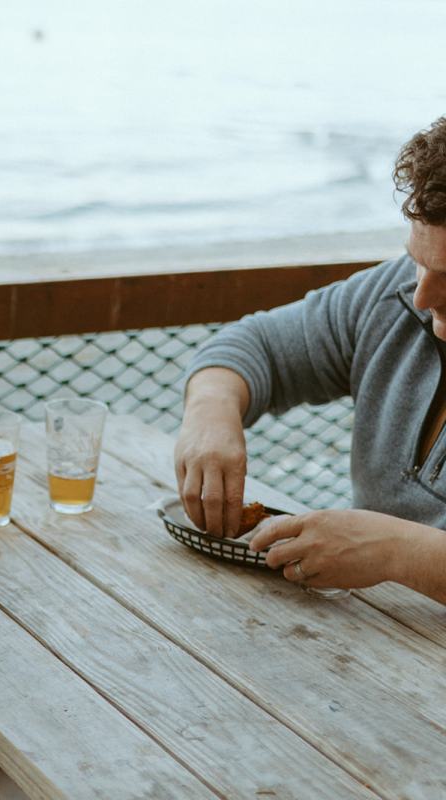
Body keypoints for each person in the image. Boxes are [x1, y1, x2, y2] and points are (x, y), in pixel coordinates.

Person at [174, 115, 446, 604]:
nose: (422, 298)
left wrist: (399, 552)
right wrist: (210, 413)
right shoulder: (396, 292)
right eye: (419, 260)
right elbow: (255, 345)